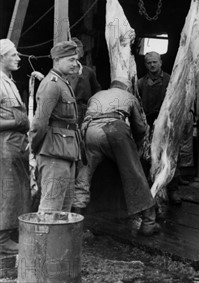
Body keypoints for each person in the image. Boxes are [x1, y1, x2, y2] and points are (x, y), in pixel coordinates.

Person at [72, 77, 159, 235]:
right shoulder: (129, 97)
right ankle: (149, 222)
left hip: (88, 131)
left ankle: (77, 222)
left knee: (84, 176)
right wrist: (136, 148)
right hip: (114, 129)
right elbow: (139, 128)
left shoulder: (96, 96)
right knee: (135, 174)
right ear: (125, 89)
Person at [29, 41, 82, 212]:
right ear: (57, 60)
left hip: (66, 152)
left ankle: (57, 240)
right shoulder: (51, 84)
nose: (75, 64)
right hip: (53, 153)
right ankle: (42, 240)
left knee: (63, 211)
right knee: (50, 209)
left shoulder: (63, 83)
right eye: (71, 60)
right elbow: (39, 122)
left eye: (76, 60)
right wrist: (36, 148)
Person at [137, 51, 182, 204]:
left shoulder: (171, 80)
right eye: (149, 63)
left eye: (155, 62)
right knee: (147, 156)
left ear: (160, 62)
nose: (152, 65)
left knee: (170, 155)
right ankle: (148, 191)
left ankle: (173, 190)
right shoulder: (140, 83)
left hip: (167, 122)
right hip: (148, 124)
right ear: (145, 65)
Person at [0, 39, 31, 254]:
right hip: (5, 144)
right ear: (1, 57)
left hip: (17, 144)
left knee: (19, 189)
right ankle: (2, 240)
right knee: (8, 190)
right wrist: (16, 122)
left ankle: (10, 232)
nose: (19, 58)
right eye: (14, 55)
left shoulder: (9, 80)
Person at [66, 37, 101, 125]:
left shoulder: (88, 71)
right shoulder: (64, 71)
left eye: (78, 50)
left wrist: (94, 106)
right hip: (70, 109)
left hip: (87, 109)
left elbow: (96, 90)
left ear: (81, 53)